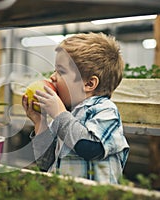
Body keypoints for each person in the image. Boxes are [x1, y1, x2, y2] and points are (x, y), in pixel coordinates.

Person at [22, 32, 129, 184]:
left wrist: (59, 114)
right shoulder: (66, 115)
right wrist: (40, 122)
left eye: (61, 71)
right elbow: (45, 163)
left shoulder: (105, 110)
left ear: (89, 84)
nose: (52, 77)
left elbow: (92, 149)